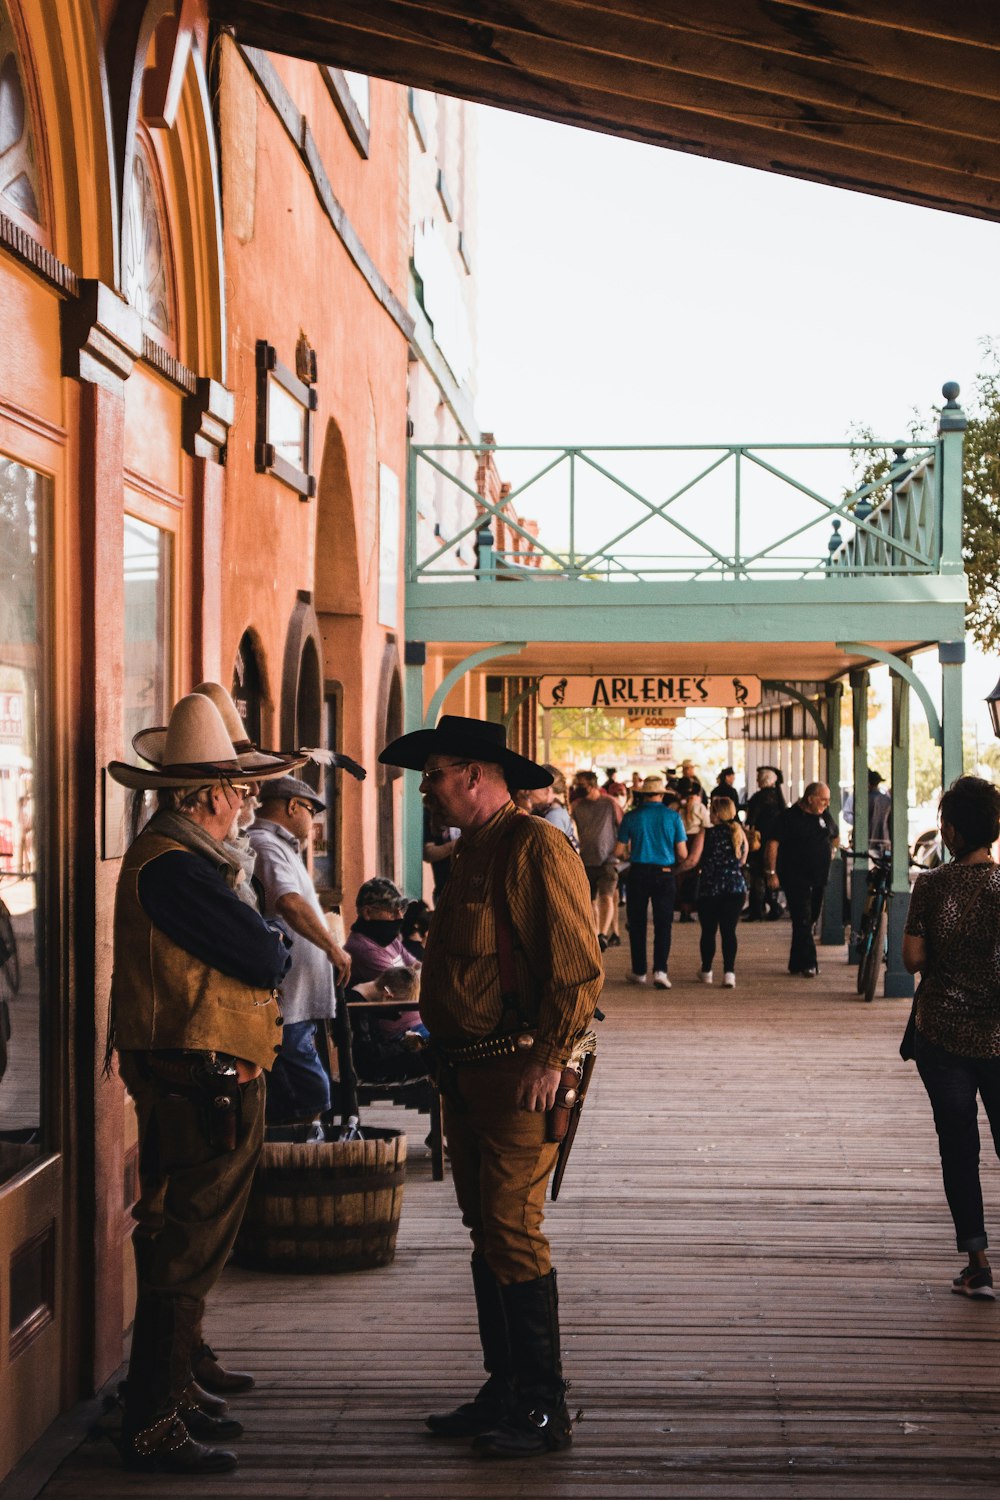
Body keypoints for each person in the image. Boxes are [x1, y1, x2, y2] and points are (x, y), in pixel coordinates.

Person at [378, 714, 602, 1458]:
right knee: (488, 1231)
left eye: (434, 775)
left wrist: (551, 1058)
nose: (425, 791)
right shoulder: (472, 853)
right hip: (469, 1074)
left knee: (510, 1229)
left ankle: (543, 1406)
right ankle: (505, 1388)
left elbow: (578, 969)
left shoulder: (535, 846)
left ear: (475, 775)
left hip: (518, 1075)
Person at [106, 694, 303, 1473]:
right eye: (242, 791)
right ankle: (153, 1420)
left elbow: (261, 945)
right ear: (212, 796)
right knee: (188, 1246)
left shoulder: (184, 858)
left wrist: (269, 940)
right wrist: (273, 944)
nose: (248, 802)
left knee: (186, 1238)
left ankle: (172, 1390)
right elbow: (263, 955)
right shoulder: (179, 867)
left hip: (202, 1074)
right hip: (200, 1079)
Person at [902, 776, 1000, 1300]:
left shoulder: (934, 884)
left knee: (959, 1147)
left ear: (953, 830)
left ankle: (978, 1264)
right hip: (999, 1036)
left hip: (942, 1035)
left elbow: (912, 959)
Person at [248, 775, 349, 1126]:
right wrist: (332, 947)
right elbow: (288, 901)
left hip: (297, 1001)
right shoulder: (264, 843)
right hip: (285, 1004)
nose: (312, 823)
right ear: (293, 806)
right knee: (307, 1097)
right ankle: (302, 1167)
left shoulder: (281, 847)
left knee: (309, 1094)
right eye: (310, 811)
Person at [614, 773, 688, 988]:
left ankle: (639, 971)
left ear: (643, 795)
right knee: (663, 924)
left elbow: (619, 850)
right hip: (664, 873)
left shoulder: (631, 817)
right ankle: (660, 971)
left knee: (637, 924)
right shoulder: (673, 817)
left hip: (638, 873)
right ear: (662, 795)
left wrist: (630, 854)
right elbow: (682, 854)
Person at [764, 782, 837, 977]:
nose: (826, 804)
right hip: (795, 877)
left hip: (819, 877)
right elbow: (772, 844)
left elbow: (835, 835)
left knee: (809, 918)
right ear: (810, 798)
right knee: (802, 918)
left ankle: (795, 962)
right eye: (823, 799)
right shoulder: (787, 817)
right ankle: (810, 964)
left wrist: (832, 850)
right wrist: (771, 872)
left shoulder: (824, 816)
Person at [695, 794, 749, 988]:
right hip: (735, 888)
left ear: (716, 813)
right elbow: (742, 860)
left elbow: (695, 859)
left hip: (710, 888)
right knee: (729, 931)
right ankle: (729, 973)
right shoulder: (738, 832)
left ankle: (707, 970)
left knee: (708, 931)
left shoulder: (706, 833)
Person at [346, 964, 429, 1083]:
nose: (398, 1015)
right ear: (387, 996)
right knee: (429, 1059)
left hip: (373, 1063)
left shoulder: (362, 999)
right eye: (398, 1009)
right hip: (369, 1070)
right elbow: (366, 1057)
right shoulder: (357, 1007)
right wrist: (403, 1045)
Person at [572, 770, 622, 950]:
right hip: (586, 858)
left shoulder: (609, 803)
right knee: (590, 900)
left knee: (606, 896)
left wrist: (619, 850)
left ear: (593, 785)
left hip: (608, 858)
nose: (578, 788)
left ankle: (602, 933)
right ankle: (594, 934)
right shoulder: (577, 805)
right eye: (577, 784)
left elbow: (621, 825)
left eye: (582, 784)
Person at [344, 876, 416, 983]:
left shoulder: (387, 938)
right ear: (367, 912)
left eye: (401, 909)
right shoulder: (365, 950)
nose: (400, 916)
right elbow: (401, 988)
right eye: (392, 911)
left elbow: (415, 966)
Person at [744, 767, 786, 921]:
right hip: (776, 841)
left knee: (757, 874)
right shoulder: (779, 797)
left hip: (760, 841)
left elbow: (751, 821)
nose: (756, 781)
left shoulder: (757, 798)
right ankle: (773, 907)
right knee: (769, 873)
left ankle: (758, 910)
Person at [676, 788, 711, 921]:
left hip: (681, 840)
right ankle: (691, 907)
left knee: (681, 875)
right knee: (694, 875)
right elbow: (707, 824)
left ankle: (683, 908)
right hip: (697, 840)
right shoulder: (700, 807)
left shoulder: (677, 808)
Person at [528, 764, 581, 853]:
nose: (528, 791)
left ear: (547, 790)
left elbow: (552, 855)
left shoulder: (553, 817)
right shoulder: (558, 812)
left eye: (533, 786)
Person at [844, 767, 892, 857]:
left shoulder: (861, 799)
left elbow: (849, 816)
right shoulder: (887, 800)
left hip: (863, 840)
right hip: (883, 840)